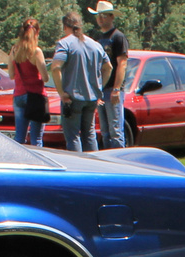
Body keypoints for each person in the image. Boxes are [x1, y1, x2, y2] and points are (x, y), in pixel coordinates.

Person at [48, 11, 110, 152]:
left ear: (65, 27)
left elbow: (56, 67)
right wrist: (99, 88)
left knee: (73, 136)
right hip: (91, 98)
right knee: (89, 134)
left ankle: (77, 167)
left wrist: (61, 92)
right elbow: (108, 67)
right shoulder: (95, 45)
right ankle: (93, 167)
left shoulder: (65, 43)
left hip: (72, 98)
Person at [87, 1, 128, 148]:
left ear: (112, 17)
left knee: (116, 130)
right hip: (100, 89)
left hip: (112, 90)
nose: (100, 19)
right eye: (98, 16)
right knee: (104, 131)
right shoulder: (97, 38)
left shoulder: (118, 37)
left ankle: (119, 165)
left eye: (103, 16)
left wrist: (117, 89)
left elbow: (122, 64)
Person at [9, 18, 47, 146]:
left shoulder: (14, 50)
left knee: (19, 138)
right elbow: (46, 77)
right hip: (36, 96)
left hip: (19, 95)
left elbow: (11, 75)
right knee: (36, 139)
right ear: (37, 32)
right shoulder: (36, 51)